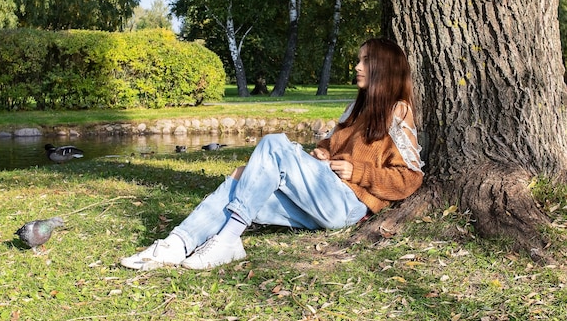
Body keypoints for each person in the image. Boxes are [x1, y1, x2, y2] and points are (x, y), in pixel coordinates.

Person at [121, 37, 425, 271]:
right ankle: (176, 244)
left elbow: (410, 177)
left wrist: (359, 173)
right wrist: (318, 154)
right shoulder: (356, 108)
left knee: (273, 143)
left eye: (366, 61)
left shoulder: (398, 111)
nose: (358, 67)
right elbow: (328, 148)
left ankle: (228, 239)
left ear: (385, 68)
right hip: (321, 197)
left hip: (347, 204)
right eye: (359, 60)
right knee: (239, 184)